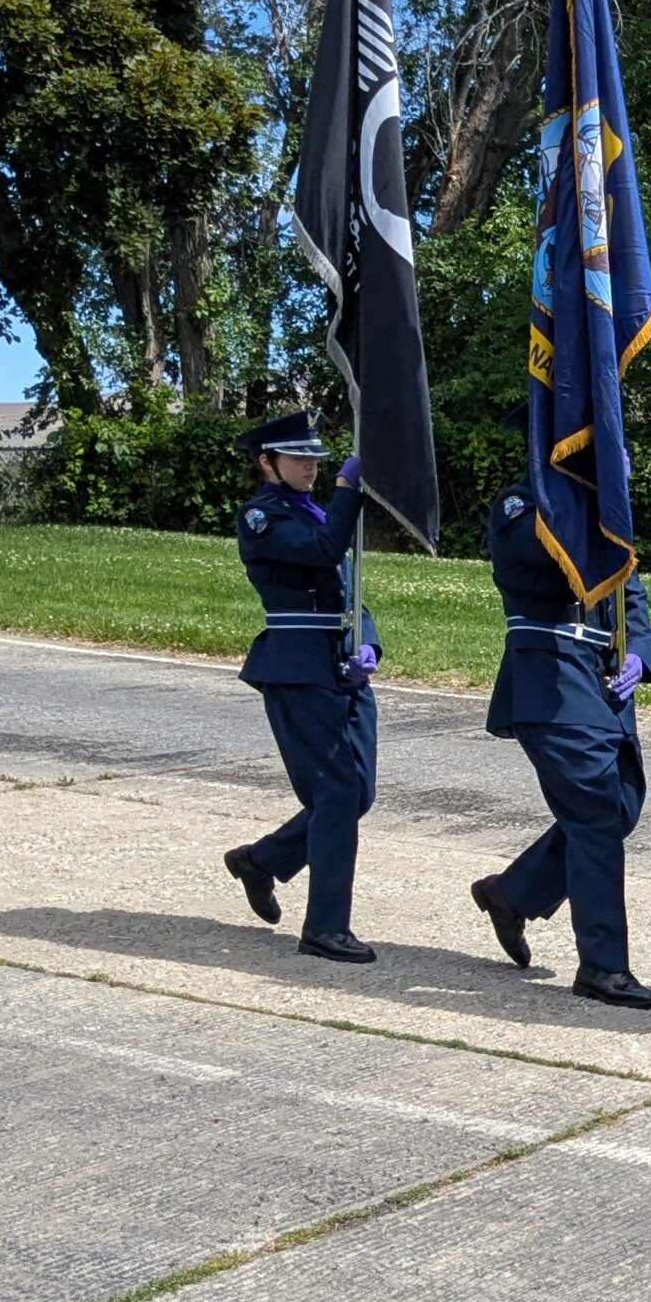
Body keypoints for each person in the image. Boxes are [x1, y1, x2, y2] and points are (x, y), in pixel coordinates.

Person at [467, 411, 651, 1010]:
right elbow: (553, 552)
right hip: (550, 675)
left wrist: (640, 650)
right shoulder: (519, 506)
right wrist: (600, 496)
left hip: (602, 681)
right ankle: (603, 966)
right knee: (597, 814)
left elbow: (629, 588)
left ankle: (514, 894)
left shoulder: (601, 514)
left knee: (620, 804)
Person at [222, 410, 380, 963]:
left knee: (358, 793)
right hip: (298, 665)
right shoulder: (261, 517)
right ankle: (325, 928)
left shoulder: (314, 511)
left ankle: (261, 861)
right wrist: (348, 494)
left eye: (315, 458)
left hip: (341, 663)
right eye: (298, 458)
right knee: (336, 792)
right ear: (267, 463)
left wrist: (369, 643)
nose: (311, 466)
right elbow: (322, 552)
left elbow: (349, 589)